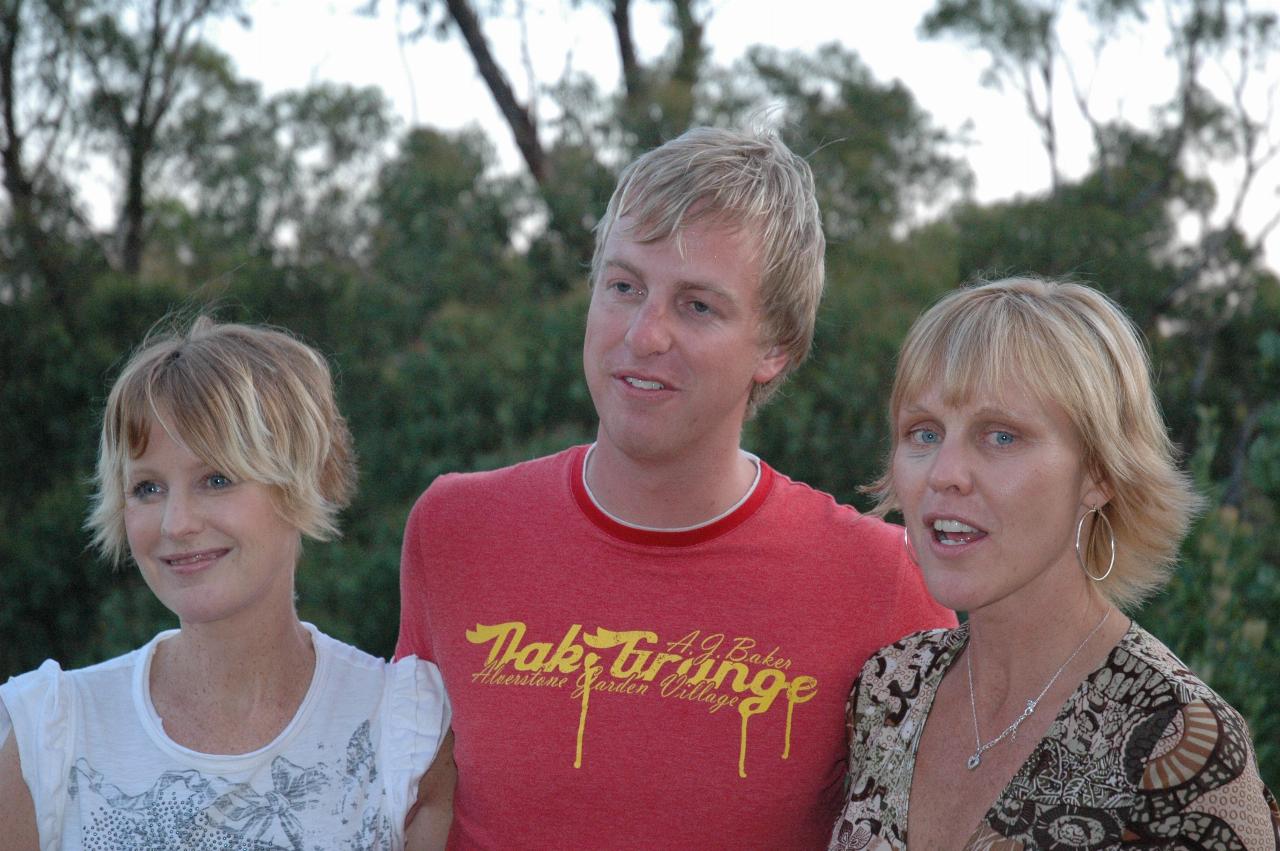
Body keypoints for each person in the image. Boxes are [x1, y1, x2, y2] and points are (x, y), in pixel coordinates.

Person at [395, 125, 955, 848]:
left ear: (775, 346)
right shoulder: (454, 530)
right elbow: (420, 806)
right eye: (624, 286)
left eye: (697, 306)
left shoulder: (886, 581)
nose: (643, 334)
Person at [830, 277, 1280, 849]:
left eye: (1000, 436)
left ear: (1098, 474)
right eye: (924, 432)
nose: (944, 473)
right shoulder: (887, 691)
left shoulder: (1181, 745)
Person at [0, 318, 454, 850]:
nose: (176, 523)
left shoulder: (403, 730)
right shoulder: (47, 737)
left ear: (301, 482)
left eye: (216, 480)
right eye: (147, 487)